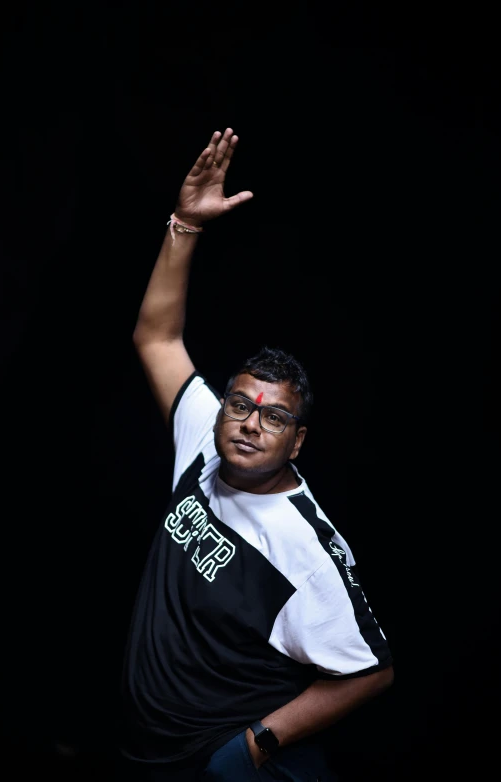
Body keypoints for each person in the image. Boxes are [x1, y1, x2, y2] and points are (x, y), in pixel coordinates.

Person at [118, 128, 394, 782]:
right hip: (151, 752)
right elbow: (156, 336)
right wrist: (184, 223)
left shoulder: (305, 549)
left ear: (297, 441)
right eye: (240, 404)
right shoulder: (203, 438)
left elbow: (371, 671)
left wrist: (254, 747)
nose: (248, 424)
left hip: (220, 763)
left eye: (274, 417)